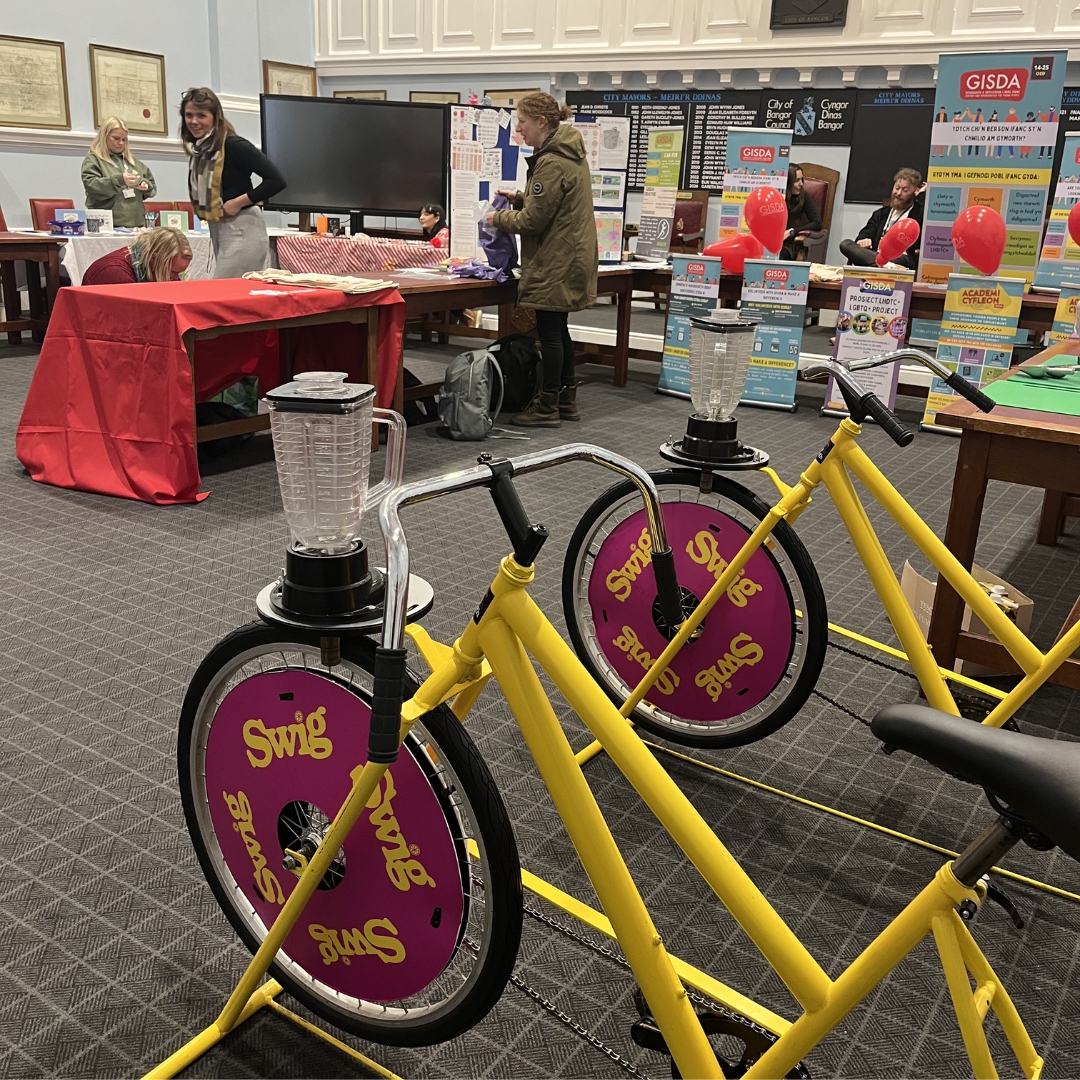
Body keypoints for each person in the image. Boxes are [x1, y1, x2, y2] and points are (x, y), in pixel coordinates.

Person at [484, 91, 597, 427]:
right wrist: (518, 197)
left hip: (556, 259)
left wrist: (496, 219)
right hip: (569, 254)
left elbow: (534, 221)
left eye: (522, 121)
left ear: (541, 122)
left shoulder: (550, 161)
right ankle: (566, 398)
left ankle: (547, 406)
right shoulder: (568, 155)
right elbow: (552, 205)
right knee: (558, 330)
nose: (519, 128)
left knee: (549, 333)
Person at [180, 87, 285, 278]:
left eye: (201, 115)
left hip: (243, 228)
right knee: (225, 293)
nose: (194, 121)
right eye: (189, 115)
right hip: (219, 227)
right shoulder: (202, 149)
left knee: (222, 292)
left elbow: (276, 181)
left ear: (214, 117)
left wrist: (238, 202)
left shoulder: (234, 145)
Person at [839, 169, 926, 270]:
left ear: (914, 192)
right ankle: (884, 266)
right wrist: (863, 239)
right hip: (877, 254)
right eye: (897, 188)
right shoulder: (881, 213)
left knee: (903, 260)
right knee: (846, 244)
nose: (898, 193)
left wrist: (921, 195)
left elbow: (924, 209)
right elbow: (867, 231)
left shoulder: (918, 214)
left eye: (905, 190)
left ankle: (879, 265)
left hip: (900, 258)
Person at [81, 117, 157, 229]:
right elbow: (92, 185)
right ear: (104, 137)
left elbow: (151, 185)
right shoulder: (94, 160)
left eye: (124, 139)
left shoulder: (132, 162)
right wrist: (119, 180)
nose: (121, 143)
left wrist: (145, 185)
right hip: (106, 226)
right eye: (116, 138)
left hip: (137, 225)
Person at [81, 227, 193, 285]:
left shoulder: (145, 262)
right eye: (173, 273)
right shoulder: (115, 273)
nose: (176, 279)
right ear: (154, 258)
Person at [780, 164, 822, 261]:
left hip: (790, 243)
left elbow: (817, 223)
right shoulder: (777, 196)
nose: (801, 184)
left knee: (780, 256)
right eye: (797, 180)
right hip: (772, 241)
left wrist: (792, 232)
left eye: (801, 179)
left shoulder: (804, 196)